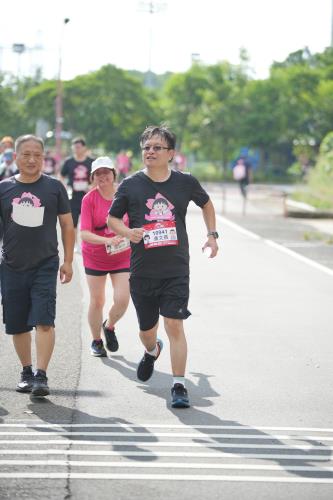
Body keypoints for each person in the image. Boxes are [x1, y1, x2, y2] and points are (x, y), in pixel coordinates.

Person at [108, 125, 219, 408]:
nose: (150, 151)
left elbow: (207, 205)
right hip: (143, 270)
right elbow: (113, 219)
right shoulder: (131, 184)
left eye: (157, 147)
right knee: (147, 331)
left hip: (176, 268)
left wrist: (212, 235)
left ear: (171, 153)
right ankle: (152, 349)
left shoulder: (185, 182)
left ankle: (179, 385)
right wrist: (127, 232)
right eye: (146, 147)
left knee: (174, 324)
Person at [0, 134, 75, 397]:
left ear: (44, 158)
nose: (32, 159)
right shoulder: (4, 188)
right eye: (26, 154)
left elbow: (67, 225)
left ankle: (41, 376)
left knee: (44, 320)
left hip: (45, 264)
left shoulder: (53, 187)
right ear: (15, 156)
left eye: (37, 155)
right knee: (17, 324)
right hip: (11, 266)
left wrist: (67, 261)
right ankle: (26, 371)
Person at [80, 156, 131, 357]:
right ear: (93, 177)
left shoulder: (126, 195)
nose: (102, 177)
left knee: (122, 299)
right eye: (98, 173)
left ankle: (109, 326)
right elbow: (84, 233)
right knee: (97, 300)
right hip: (95, 256)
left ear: (113, 174)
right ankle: (96, 341)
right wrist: (106, 241)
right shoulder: (89, 199)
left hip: (122, 255)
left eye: (106, 172)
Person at [60, 137, 94, 251]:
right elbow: (61, 176)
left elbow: (97, 177)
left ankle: (88, 243)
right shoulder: (68, 162)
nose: (77, 149)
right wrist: (64, 186)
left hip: (88, 195)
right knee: (73, 221)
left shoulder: (91, 162)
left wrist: (92, 186)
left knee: (88, 221)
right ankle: (75, 245)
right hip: (73, 195)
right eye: (74, 147)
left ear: (84, 148)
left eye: (79, 147)